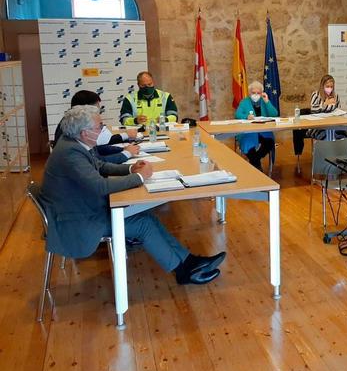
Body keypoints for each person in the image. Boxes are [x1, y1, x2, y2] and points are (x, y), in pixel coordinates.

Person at [39, 106, 225, 285]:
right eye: (99, 126)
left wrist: (130, 168)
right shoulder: (71, 153)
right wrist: (138, 177)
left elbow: (100, 166)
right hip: (77, 220)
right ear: (85, 132)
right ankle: (183, 272)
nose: (104, 129)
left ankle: (189, 261)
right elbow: (100, 186)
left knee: (147, 216)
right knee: (143, 224)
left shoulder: (74, 143)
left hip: (82, 208)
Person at [54, 90, 141, 163]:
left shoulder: (72, 123)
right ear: (85, 110)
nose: (98, 113)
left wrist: (121, 150)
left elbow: (97, 149)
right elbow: (97, 162)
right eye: (96, 110)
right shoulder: (73, 132)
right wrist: (125, 153)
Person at [235, 81, 279, 170]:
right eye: (253, 93)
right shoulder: (244, 102)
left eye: (258, 93)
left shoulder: (264, 101)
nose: (255, 95)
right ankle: (258, 167)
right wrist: (246, 117)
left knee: (269, 142)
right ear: (249, 93)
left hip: (264, 132)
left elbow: (274, 114)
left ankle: (255, 161)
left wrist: (267, 102)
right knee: (249, 146)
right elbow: (237, 114)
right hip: (248, 132)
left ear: (261, 93)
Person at [307, 74, 347, 140]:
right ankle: (327, 149)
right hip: (318, 126)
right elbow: (314, 110)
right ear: (322, 86)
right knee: (327, 137)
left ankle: (340, 148)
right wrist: (325, 104)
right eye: (327, 86)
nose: (329, 89)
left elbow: (338, 110)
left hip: (333, 124)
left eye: (331, 87)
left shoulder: (335, 96)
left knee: (343, 136)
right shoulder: (316, 95)